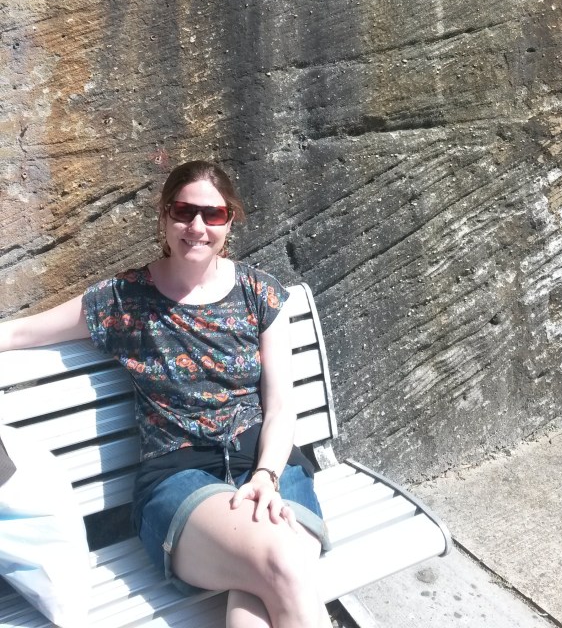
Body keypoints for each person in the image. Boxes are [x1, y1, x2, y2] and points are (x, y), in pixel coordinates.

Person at [0, 160, 331, 628]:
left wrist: (266, 477)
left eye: (212, 215)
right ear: (163, 217)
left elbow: (279, 408)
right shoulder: (124, 299)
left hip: (272, 469)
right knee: (285, 564)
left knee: (256, 602)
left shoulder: (260, 293)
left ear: (229, 222)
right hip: (180, 477)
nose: (196, 227)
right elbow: (18, 335)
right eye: (184, 212)